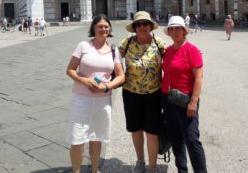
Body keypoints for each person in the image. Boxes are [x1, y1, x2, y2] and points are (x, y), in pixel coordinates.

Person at [66, 14, 125, 173]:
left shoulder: (113, 50)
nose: (103, 29)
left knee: (96, 137)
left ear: (110, 29)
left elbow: (121, 76)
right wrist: (85, 81)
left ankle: (94, 170)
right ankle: (76, 171)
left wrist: (106, 87)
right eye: (100, 26)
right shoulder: (83, 46)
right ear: (93, 28)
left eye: (106, 26)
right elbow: (70, 70)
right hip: (81, 99)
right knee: (77, 138)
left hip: (102, 100)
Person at [119, 11, 166, 173]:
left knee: (152, 132)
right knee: (136, 129)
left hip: (153, 93)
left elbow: (174, 59)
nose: (142, 27)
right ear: (134, 28)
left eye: (145, 23)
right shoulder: (127, 42)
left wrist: (191, 58)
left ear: (151, 26)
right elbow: (110, 58)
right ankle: (140, 161)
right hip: (131, 93)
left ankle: (152, 167)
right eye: (138, 24)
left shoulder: (159, 43)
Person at [161, 16, 207, 173]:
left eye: (177, 28)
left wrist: (194, 101)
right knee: (175, 138)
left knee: (192, 140)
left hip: (186, 100)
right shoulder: (167, 51)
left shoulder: (192, 50)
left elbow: (199, 76)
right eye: (171, 28)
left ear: (183, 31)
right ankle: (182, 169)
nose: (174, 31)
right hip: (168, 99)